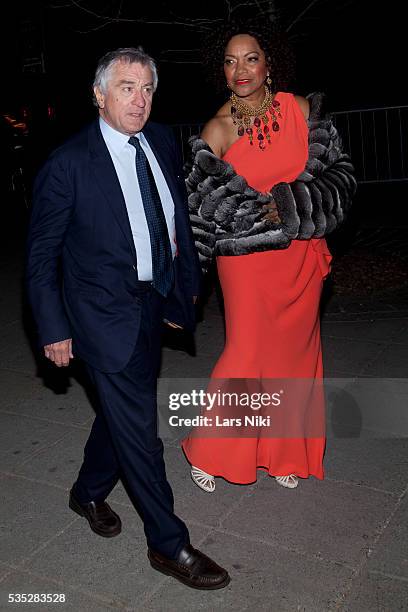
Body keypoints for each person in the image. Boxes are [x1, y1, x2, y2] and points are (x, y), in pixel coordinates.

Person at [26, 47, 230, 590]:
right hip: (98, 316)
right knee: (141, 429)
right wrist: (53, 327)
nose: (139, 101)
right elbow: (41, 257)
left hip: (151, 304)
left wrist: (179, 294)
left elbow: (172, 225)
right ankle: (169, 544)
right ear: (99, 94)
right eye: (125, 88)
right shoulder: (68, 163)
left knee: (120, 415)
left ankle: (89, 491)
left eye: (146, 89)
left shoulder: (161, 140)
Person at [182, 19, 356, 492]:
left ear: (269, 63)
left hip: (301, 256)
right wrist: (186, 285)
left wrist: (291, 207)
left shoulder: (300, 109)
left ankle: (283, 454)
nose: (240, 69)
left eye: (250, 58)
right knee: (246, 354)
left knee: (293, 359)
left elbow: (339, 176)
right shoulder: (215, 129)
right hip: (246, 264)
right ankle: (211, 449)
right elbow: (201, 213)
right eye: (230, 60)